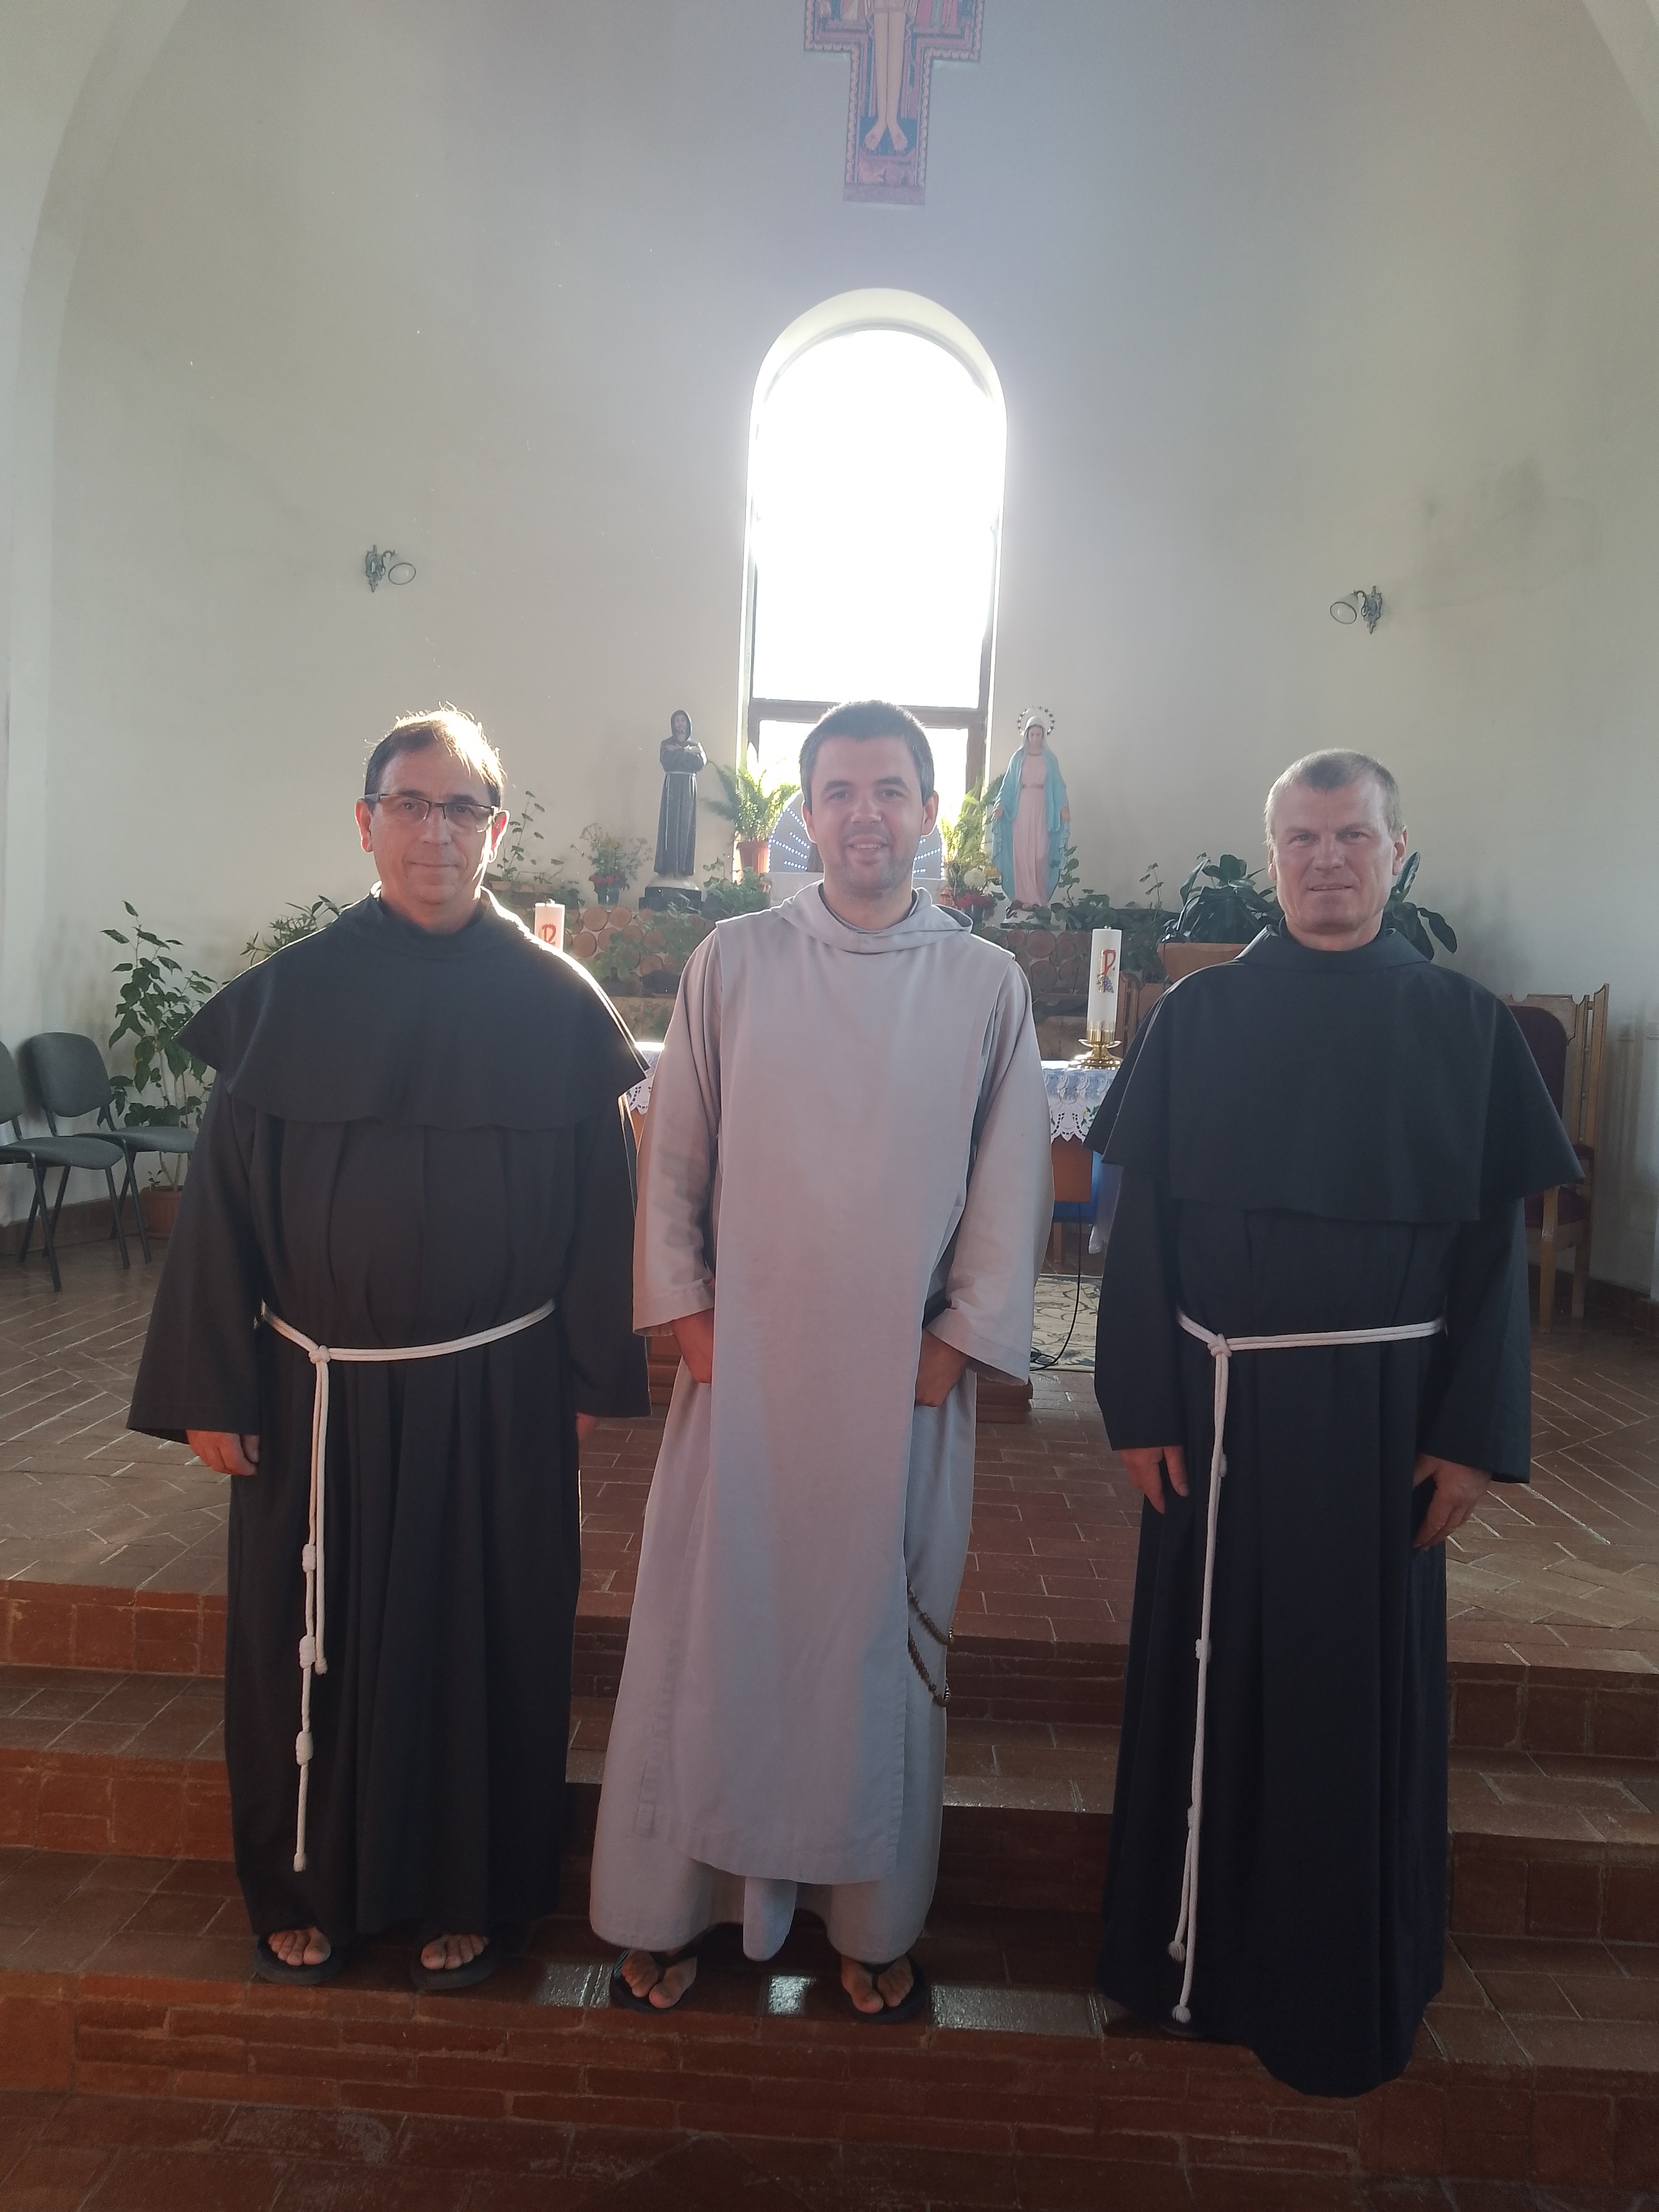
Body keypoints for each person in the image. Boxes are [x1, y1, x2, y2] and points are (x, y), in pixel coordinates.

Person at [129, 708, 649, 1992]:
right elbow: (222, 1202)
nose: (435, 831)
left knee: (484, 1647)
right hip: (316, 1392)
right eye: (410, 804)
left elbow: (602, 1210)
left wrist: (586, 1376)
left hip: (499, 1390)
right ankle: (305, 1886)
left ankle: (471, 1891)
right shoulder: (289, 1001)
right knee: (308, 1647)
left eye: (461, 807)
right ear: (365, 824)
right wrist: (212, 1384)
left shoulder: (553, 1004)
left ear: (495, 831)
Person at [1087, 749, 1579, 2097]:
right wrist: (1139, 1400)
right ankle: (1182, 1959)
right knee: (1205, 1680)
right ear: (1271, 856)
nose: (1325, 860)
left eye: (1351, 836)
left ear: (1395, 851)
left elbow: (1490, 1259)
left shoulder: (1464, 1028)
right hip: (1213, 1409)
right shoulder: (1197, 1019)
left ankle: (1335, 1978)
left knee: (1346, 1704)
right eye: (1301, 838)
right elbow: (1141, 1238)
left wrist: (1469, 1434)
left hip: (1379, 1426)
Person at [589, 698, 1051, 2019]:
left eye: (889, 789)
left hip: (898, 1390)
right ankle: (673, 1906)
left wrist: (947, 1354)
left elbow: (1009, 1187)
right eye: (838, 790)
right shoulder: (733, 960)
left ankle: (867, 1919)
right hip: (741, 1380)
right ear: (805, 811)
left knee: (872, 1650)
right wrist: (694, 1329)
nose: (863, 814)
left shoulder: (985, 983)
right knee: (711, 1635)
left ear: (928, 813)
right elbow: (675, 1159)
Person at [990, 710, 1070, 908]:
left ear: (1043, 736)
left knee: (1041, 853)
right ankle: (1023, 898)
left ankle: (1038, 898)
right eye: (1032, 734)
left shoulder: (1050, 759)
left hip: (1043, 807)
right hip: (1022, 807)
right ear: (1026, 735)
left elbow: (1058, 786)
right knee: (1022, 851)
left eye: (1038, 734)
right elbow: (1008, 785)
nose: (1035, 738)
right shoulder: (1018, 758)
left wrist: (1063, 807)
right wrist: (1000, 805)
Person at [653, 708, 706, 881]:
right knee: (671, 825)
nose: (680, 724)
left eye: (683, 720)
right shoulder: (666, 744)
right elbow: (667, 762)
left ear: (688, 724)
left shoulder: (696, 745)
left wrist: (679, 751)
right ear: (673, 724)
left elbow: (699, 764)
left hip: (688, 787)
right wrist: (687, 753)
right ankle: (669, 868)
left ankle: (683, 870)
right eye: (677, 721)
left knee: (686, 825)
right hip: (673, 785)